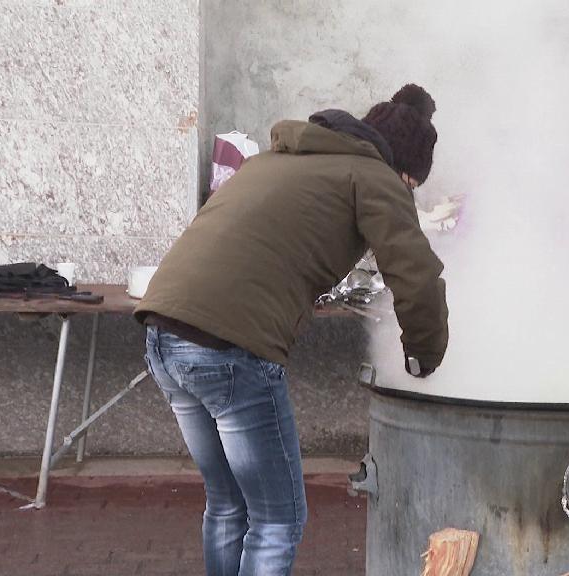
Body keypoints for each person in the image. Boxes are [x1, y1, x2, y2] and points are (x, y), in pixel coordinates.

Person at [135, 84, 449, 576]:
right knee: (278, 519)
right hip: (230, 348)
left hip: (162, 334)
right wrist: (425, 354)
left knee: (227, 504)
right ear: (402, 169)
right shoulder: (373, 176)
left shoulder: (274, 160)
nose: (409, 193)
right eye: (412, 183)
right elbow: (417, 276)